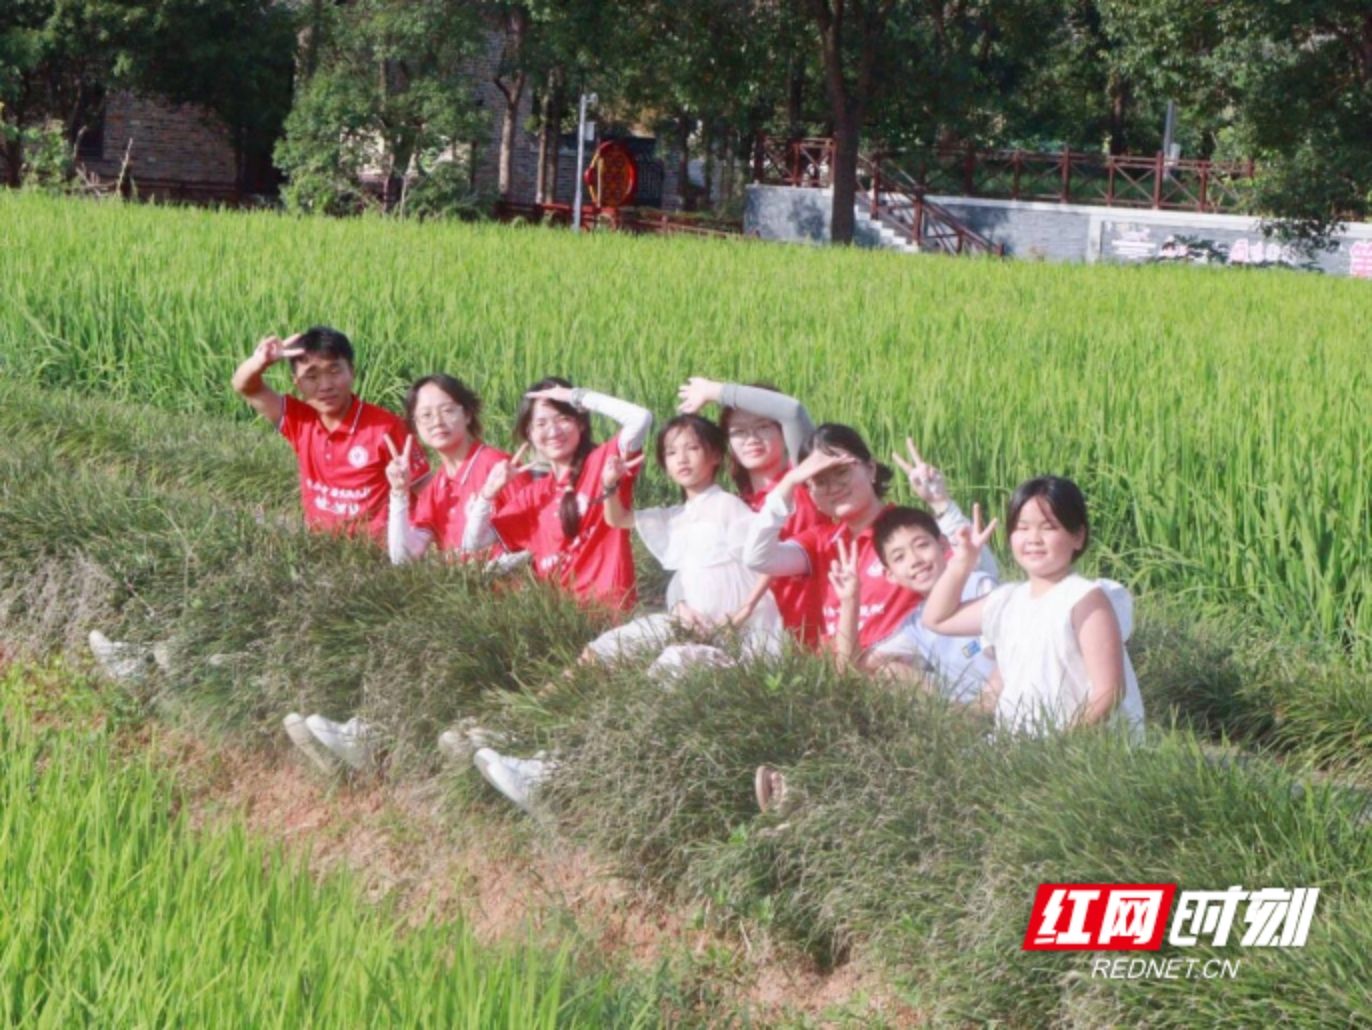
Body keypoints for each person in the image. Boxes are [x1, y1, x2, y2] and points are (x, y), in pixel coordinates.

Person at [920, 476, 1145, 737]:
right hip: (1020, 742)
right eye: (1022, 528)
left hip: (1080, 744)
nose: (1033, 538)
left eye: (1048, 527)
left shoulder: (1085, 598)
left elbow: (1109, 691)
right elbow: (937, 619)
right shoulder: (1007, 601)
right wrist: (962, 563)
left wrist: (1060, 744)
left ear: (1078, 536)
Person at [743, 427, 993, 656]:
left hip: (902, 666)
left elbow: (978, 570)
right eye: (819, 480)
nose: (833, 486)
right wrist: (788, 482)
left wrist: (940, 502)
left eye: (842, 471)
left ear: (870, 469)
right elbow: (757, 557)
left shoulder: (907, 532)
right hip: (842, 672)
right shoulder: (821, 541)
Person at [462, 378, 652, 612]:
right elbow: (474, 542)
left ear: (580, 424)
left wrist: (577, 396)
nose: (553, 431)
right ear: (530, 433)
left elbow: (640, 418)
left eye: (563, 419)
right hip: (560, 620)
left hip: (608, 613)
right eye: (541, 423)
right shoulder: (534, 496)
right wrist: (488, 493)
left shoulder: (603, 464)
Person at [230, 326, 426, 544]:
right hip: (320, 546)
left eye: (334, 372)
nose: (325, 386)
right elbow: (244, 386)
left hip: (376, 552)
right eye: (311, 376)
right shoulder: (299, 420)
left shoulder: (386, 427)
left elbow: (424, 487)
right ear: (297, 382)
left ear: (352, 372)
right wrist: (260, 362)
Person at [676, 378, 828, 646]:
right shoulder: (732, 505)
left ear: (782, 431)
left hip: (815, 633)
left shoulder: (805, 479)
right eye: (739, 431)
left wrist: (715, 391)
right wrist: (678, 604)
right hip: (753, 638)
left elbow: (792, 411)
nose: (751, 439)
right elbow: (691, 565)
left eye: (763, 426)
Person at [385, 374, 519, 564]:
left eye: (447, 410)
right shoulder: (435, 488)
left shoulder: (499, 467)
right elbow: (403, 557)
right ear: (416, 425)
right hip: (460, 582)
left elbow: (535, 536)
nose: (437, 422)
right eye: (426, 415)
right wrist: (399, 493)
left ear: (467, 414)